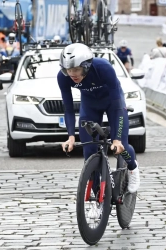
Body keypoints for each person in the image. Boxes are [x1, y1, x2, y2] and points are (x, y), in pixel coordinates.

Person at [57, 43, 140, 198]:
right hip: (90, 106)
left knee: (121, 145)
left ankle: (133, 167)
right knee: (89, 150)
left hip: (113, 103)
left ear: (87, 66)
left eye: (76, 69)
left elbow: (117, 104)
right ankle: (97, 195)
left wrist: (116, 139)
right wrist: (70, 137)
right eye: (68, 69)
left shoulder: (103, 68)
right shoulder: (63, 77)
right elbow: (68, 108)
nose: (72, 74)